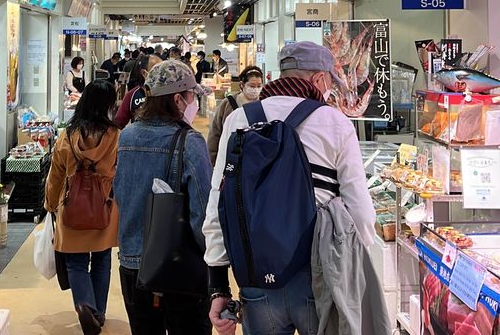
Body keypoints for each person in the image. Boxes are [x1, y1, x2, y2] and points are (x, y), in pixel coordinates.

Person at [204, 41, 377, 335]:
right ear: (320, 79)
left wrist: (217, 285)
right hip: (318, 272)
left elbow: (218, 204)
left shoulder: (239, 119)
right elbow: (360, 210)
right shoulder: (334, 122)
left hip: (255, 270)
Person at [114, 60, 213, 335]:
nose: (193, 101)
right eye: (191, 96)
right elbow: (203, 213)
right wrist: (214, 261)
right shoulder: (190, 142)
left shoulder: (127, 136)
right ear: (178, 99)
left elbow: (120, 193)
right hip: (179, 266)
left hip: (133, 262)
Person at [45, 80, 120, 335]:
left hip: (71, 208)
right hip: (104, 207)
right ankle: (98, 312)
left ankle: (85, 306)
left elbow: (55, 175)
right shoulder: (116, 136)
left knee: (76, 264)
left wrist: (50, 203)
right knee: (101, 260)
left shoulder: (67, 135)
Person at [206, 65, 263, 165]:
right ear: (242, 85)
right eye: (252, 86)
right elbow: (215, 133)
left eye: (259, 86)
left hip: (255, 160)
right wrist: (213, 160)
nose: (255, 89)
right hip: (229, 159)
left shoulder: (264, 104)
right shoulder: (228, 104)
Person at [115, 53, 162, 128]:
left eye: (164, 69)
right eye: (157, 69)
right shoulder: (132, 95)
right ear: (144, 73)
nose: (162, 73)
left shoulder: (170, 94)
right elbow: (118, 123)